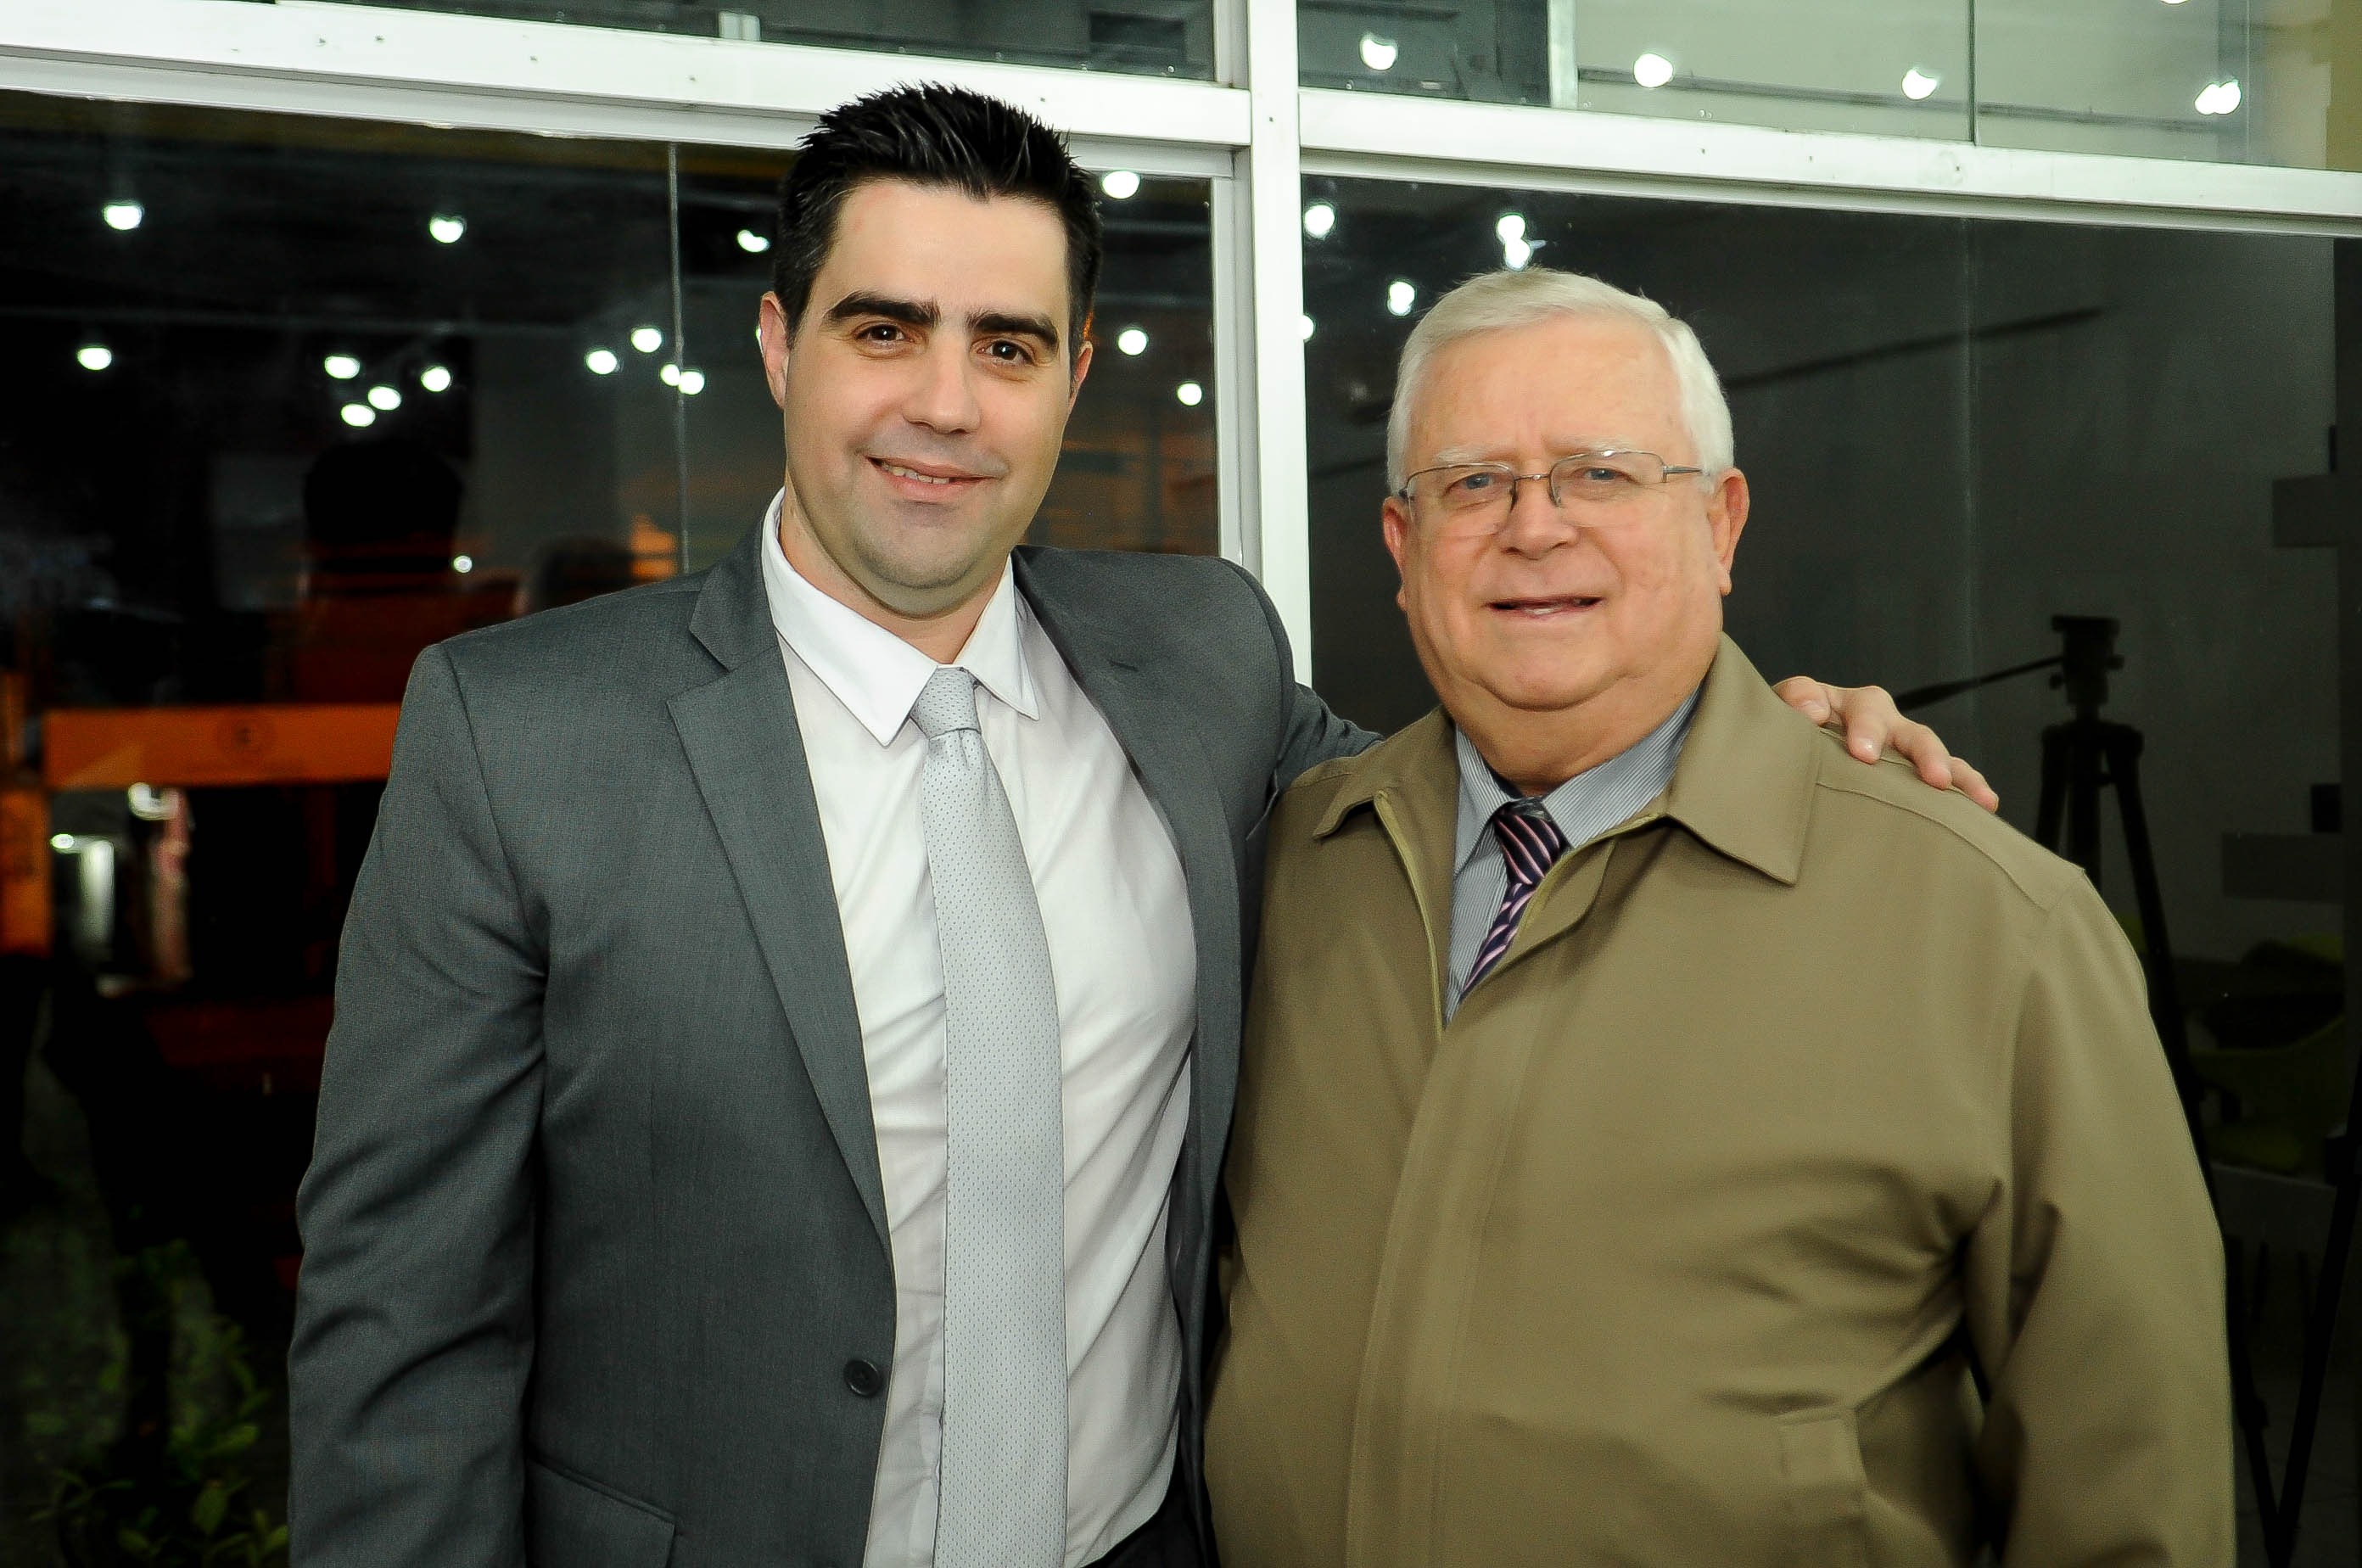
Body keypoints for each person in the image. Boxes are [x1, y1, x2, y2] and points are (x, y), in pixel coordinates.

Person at [287, 89, 1983, 1568]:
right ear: (781, 345)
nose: (948, 404)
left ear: (1075, 376)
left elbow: (1480, 798)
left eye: (1008, 346)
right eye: (885, 331)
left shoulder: (1202, 662)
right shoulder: (520, 736)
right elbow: (402, 1325)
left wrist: (1741, 732)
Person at [1204, 266, 2231, 1566]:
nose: (1534, 527)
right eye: (1473, 484)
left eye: (1601, 474)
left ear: (1722, 524)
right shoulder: (1287, 867)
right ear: (1405, 550)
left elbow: (2131, 1491)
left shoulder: (1991, 927)